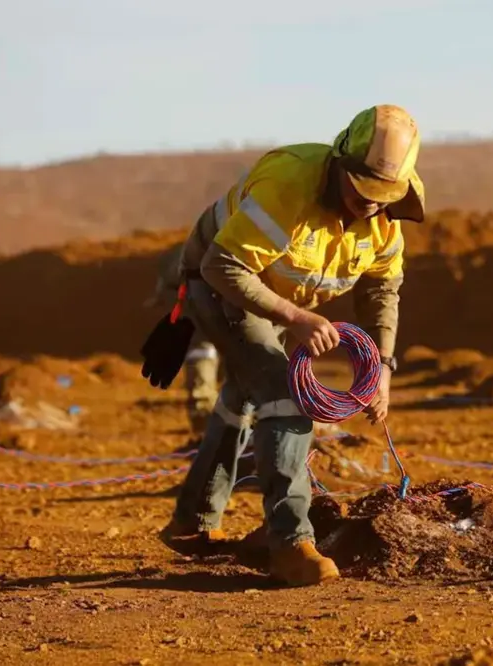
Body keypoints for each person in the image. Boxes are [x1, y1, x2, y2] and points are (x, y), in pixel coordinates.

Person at [156, 104, 423, 587]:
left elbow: (382, 291)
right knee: (285, 396)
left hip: (282, 296)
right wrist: (297, 318)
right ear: (340, 163)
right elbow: (224, 267)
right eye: (362, 187)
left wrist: (382, 366)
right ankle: (290, 543)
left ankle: (191, 523)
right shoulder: (289, 185)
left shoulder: (389, 214)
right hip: (223, 282)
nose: (371, 202)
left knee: (243, 393)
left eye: (384, 194)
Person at [143, 243, 222, 433]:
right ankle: (205, 414)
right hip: (198, 292)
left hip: (196, 291)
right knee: (204, 351)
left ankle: (204, 412)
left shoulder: (198, 238)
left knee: (203, 350)